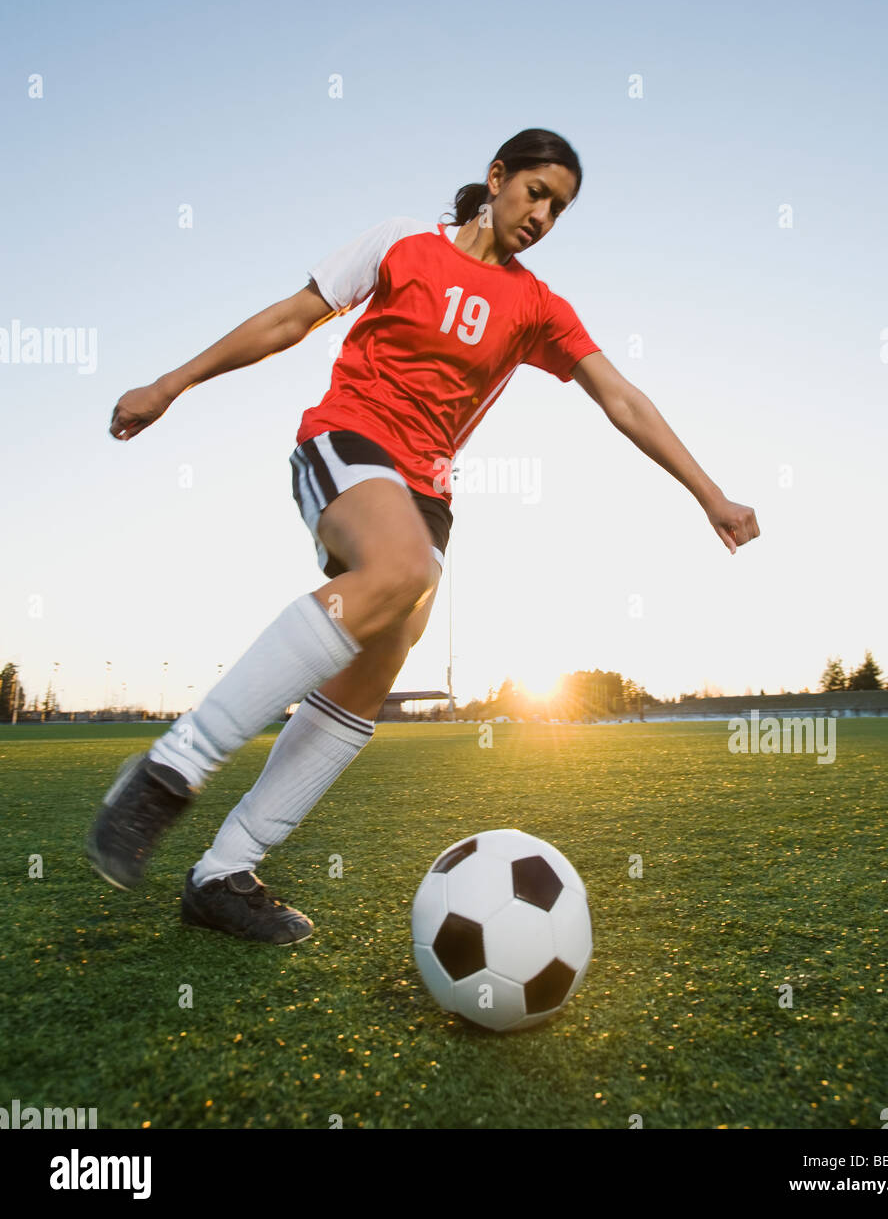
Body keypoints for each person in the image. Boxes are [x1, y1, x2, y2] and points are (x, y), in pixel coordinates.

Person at [87, 128, 760, 944]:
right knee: (401, 568)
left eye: (561, 209)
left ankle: (225, 871)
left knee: (384, 649)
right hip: (345, 440)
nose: (543, 216)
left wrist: (708, 493)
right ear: (497, 177)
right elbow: (288, 320)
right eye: (537, 193)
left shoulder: (538, 307)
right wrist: (170, 384)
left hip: (426, 490)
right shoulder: (401, 244)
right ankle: (168, 772)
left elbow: (619, 397)